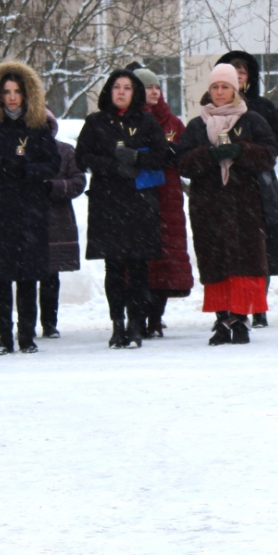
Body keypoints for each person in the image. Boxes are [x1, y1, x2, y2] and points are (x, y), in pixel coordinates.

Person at [176, 63, 278, 345]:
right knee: (215, 261)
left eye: (225, 87)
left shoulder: (252, 120)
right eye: (215, 87)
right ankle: (222, 319)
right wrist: (207, 155)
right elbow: (183, 163)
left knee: (244, 263)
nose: (220, 92)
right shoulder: (198, 125)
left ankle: (241, 319)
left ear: (236, 89)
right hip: (208, 206)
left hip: (244, 205)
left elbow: (269, 154)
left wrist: (241, 150)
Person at [0, 62, 60, 355]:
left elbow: (53, 164)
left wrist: (27, 170)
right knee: (2, 278)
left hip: (30, 213)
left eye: (17, 91)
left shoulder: (38, 126)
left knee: (29, 277)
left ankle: (27, 336)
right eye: (6, 92)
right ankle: (5, 336)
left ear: (27, 93)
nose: (12, 97)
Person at [75, 69, 170, 349]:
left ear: (134, 92)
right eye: (116, 86)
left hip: (139, 203)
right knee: (114, 267)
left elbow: (163, 156)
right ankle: (117, 324)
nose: (121, 92)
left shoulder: (146, 120)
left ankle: (135, 324)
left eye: (127, 88)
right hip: (108, 203)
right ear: (109, 90)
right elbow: (81, 158)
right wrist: (110, 164)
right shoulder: (95, 122)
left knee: (139, 266)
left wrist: (138, 156)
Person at [217, 50, 278, 327]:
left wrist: (249, 153)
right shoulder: (213, 110)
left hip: (259, 180)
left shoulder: (262, 108)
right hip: (224, 183)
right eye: (231, 72)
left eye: (242, 72)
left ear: (250, 77)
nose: (237, 77)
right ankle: (229, 308)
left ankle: (259, 306)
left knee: (262, 243)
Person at [132, 67, 192, 337]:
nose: (154, 91)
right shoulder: (131, 120)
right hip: (140, 196)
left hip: (168, 197)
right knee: (141, 259)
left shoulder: (172, 122)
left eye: (157, 86)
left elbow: (187, 156)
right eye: (148, 87)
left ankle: (156, 317)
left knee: (166, 257)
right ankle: (139, 314)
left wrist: (175, 154)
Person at [43, 112, 86, 339]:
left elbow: (79, 181)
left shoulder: (65, 150)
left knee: (51, 275)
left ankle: (49, 323)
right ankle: (27, 323)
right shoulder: (23, 148)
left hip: (57, 221)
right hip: (30, 220)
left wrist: (54, 187)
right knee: (29, 276)